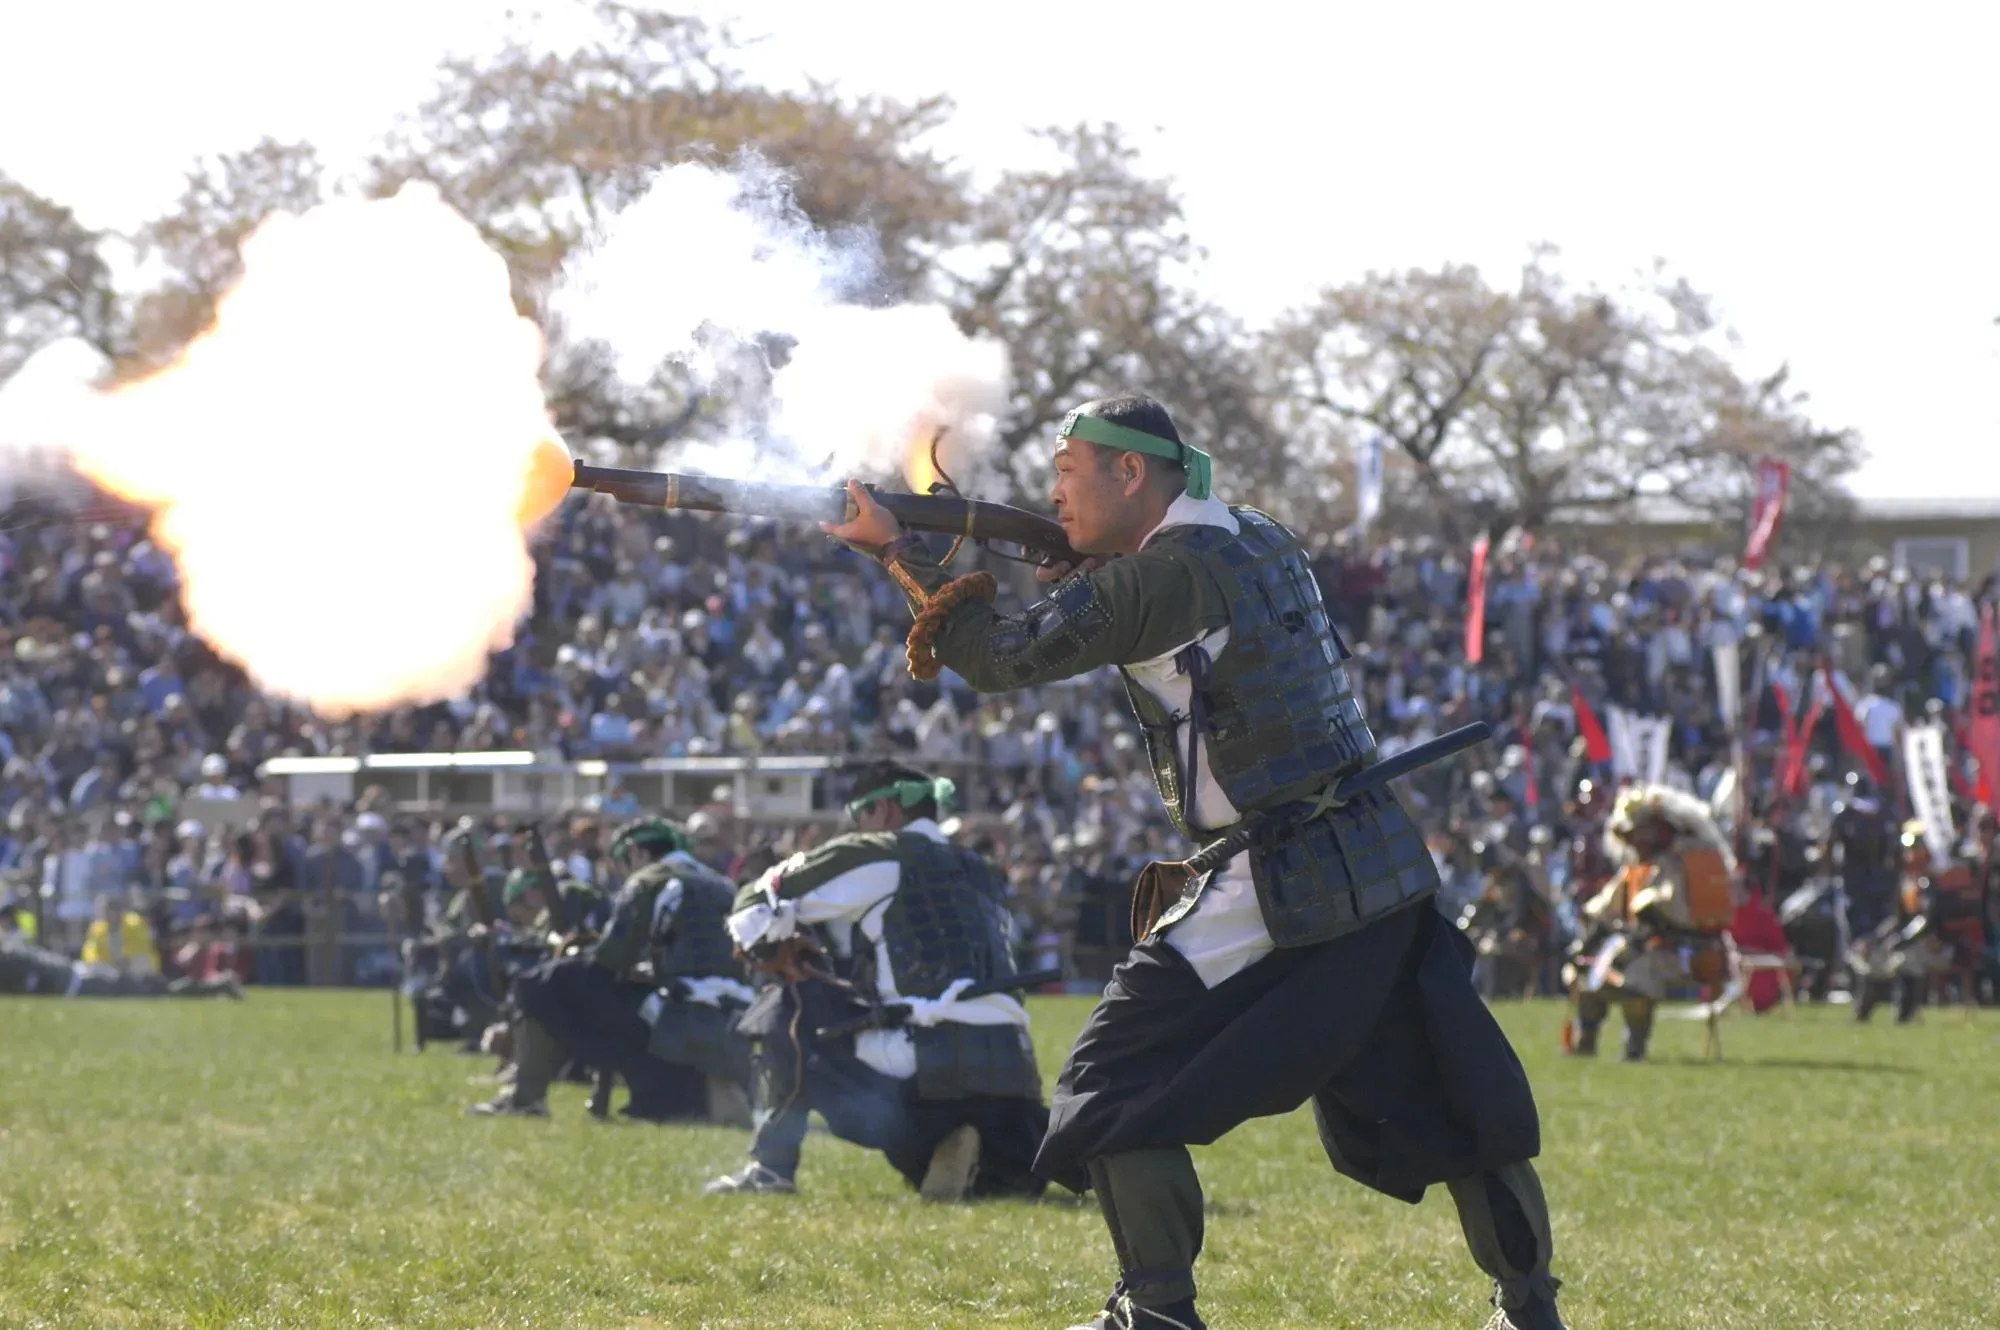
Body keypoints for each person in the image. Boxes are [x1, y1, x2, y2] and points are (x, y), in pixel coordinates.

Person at [821, 395, 1563, 1329]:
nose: (1054, 493)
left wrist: (897, 551)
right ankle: (1531, 1307)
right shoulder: (1258, 535)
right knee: (1451, 1094)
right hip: (1375, 854)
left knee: (1105, 1084)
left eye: (1068, 472)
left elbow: (998, 657)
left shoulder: (1159, 578)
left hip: (1277, 871)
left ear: (1131, 474)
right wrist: (1089, 563)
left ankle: (1159, 1312)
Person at [705, 760, 1050, 1205]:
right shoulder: (982, 870)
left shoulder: (876, 853)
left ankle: (770, 1167)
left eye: (859, 818)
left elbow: (757, 903)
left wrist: (774, 950)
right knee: (988, 1157)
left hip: (925, 1069)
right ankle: (989, 1165)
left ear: (883, 810)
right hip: (1014, 1079)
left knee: (787, 1003)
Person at [471, 818, 754, 1121]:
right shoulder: (723, 884)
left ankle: (525, 1097)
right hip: (735, 1018)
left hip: (677, 1017)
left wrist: (578, 950)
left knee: (538, 983)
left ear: (635, 852)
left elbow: (612, 958)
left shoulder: (648, 879)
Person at [1565, 785, 1736, 1061]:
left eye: (1639, 831)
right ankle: (1586, 1040)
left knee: (1640, 974)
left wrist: (1648, 913)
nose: (1633, 839)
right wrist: (1587, 942)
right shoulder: (1637, 868)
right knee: (1585, 972)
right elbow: (1603, 909)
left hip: (1691, 955)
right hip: (1644, 948)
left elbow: (1668, 910)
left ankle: (1635, 1048)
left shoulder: (1682, 863)